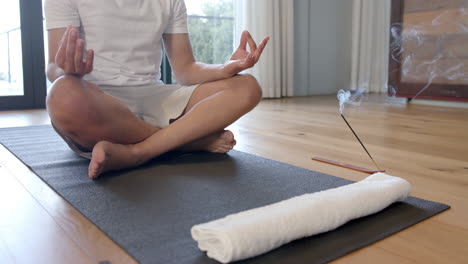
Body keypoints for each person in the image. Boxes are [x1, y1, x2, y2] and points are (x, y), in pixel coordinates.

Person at [44, 0, 269, 179]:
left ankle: (137, 153)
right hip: (99, 100)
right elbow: (54, 68)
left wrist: (225, 68)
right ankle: (188, 142)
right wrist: (68, 70)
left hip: (153, 95)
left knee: (247, 87)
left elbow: (185, 69)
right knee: (63, 95)